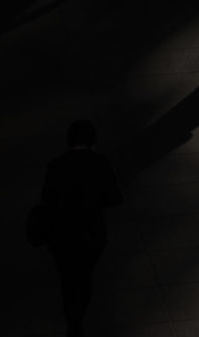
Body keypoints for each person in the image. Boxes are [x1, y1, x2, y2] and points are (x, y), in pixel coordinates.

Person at [39, 119, 123, 337]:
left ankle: (72, 320)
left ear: (69, 141)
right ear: (93, 141)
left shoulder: (56, 165)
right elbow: (115, 198)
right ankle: (79, 316)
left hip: (62, 234)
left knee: (67, 279)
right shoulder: (101, 163)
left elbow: (46, 200)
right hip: (91, 233)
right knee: (85, 277)